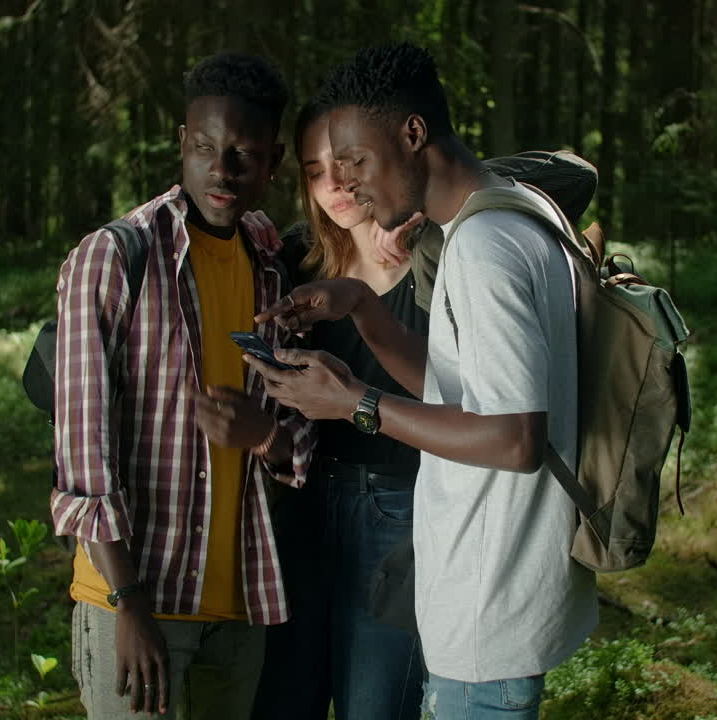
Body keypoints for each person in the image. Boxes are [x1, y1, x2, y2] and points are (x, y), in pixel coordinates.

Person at [244, 43, 597, 719]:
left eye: (357, 160)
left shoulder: (484, 247)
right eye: (331, 167)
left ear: (412, 134)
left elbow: (516, 440)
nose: (348, 184)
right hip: (494, 603)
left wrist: (355, 404)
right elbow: (463, 391)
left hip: (485, 613)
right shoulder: (515, 213)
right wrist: (367, 311)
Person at [50, 52, 314, 720]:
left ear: (273, 160)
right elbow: (84, 454)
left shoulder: (269, 267)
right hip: (139, 602)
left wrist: (271, 439)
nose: (221, 171)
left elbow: (296, 428)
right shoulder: (115, 258)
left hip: (240, 606)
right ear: (181, 143)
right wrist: (129, 603)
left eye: (243, 155)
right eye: (204, 148)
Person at [251, 101, 429, 720]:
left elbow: (567, 178)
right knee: (282, 699)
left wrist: (419, 213)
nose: (334, 183)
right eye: (312, 169)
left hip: (402, 513)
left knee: (375, 707)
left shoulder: (438, 256)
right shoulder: (295, 257)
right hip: (300, 506)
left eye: (347, 161)